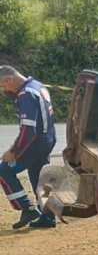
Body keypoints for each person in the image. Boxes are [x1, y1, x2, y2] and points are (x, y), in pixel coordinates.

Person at [0, 65, 57, 230]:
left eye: (4, 85)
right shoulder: (37, 86)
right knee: (39, 178)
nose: (5, 90)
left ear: (9, 79)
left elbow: (28, 130)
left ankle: (27, 208)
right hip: (47, 140)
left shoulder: (26, 95)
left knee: (4, 171)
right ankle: (47, 216)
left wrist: (14, 152)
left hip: (34, 144)